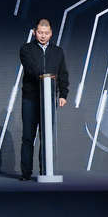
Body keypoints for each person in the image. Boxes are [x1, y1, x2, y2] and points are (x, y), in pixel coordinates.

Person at [19, 18, 69, 180]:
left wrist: (63, 94)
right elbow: (30, 69)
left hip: (49, 99)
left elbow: (63, 73)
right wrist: (45, 77)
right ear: (35, 32)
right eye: (40, 32)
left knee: (46, 136)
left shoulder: (58, 51)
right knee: (28, 136)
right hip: (30, 98)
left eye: (46, 33)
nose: (43, 36)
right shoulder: (26, 49)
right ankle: (26, 173)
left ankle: (45, 171)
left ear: (51, 33)